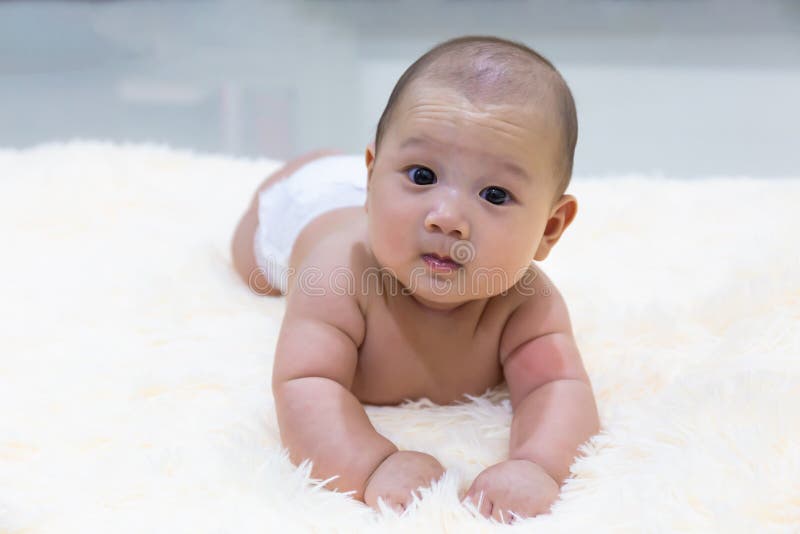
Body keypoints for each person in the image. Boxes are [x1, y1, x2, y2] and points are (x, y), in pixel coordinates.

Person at [231, 35, 599, 523]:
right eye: (423, 175)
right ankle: (315, 167)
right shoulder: (338, 276)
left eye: (494, 194)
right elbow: (305, 383)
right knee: (250, 263)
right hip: (311, 208)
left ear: (549, 229)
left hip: (374, 196)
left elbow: (558, 388)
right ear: (371, 178)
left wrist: (539, 465)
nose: (446, 218)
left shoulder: (527, 303)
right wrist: (371, 465)